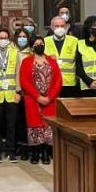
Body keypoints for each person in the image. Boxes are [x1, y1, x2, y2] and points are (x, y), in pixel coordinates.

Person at [19, 36, 61, 165]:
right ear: (32, 46)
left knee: (47, 126)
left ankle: (45, 153)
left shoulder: (52, 61)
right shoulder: (26, 61)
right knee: (35, 125)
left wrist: (49, 97)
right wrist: (38, 97)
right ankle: (35, 153)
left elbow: (59, 81)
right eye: (37, 44)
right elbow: (24, 81)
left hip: (50, 100)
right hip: (33, 99)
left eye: (42, 43)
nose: (40, 45)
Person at [0, 28, 20, 163]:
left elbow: (18, 73)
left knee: (11, 125)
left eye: (5, 37)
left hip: (12, 94)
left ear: (9, 39)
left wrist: (18, 92)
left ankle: (11, 151)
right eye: (0, 38)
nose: (3, 40)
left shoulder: (14, 52)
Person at [44, 16, 79, 98]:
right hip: (51, 83)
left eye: (62, 26)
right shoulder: (44, 41)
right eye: (56, 26)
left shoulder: (74, 41)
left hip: (69, 83)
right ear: (51, 27)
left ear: (66, 27)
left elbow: (79, 62)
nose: (60, 28)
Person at [14, 28, 32, 160]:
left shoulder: (31, 52)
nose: (22, 39)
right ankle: (17, 146)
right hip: (15, 90)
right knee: (16, 121)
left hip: (29, 92)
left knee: (27, 120)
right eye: (19, 36)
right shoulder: (11, 50)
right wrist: (17, 89)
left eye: (24, 36)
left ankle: (27, 146)